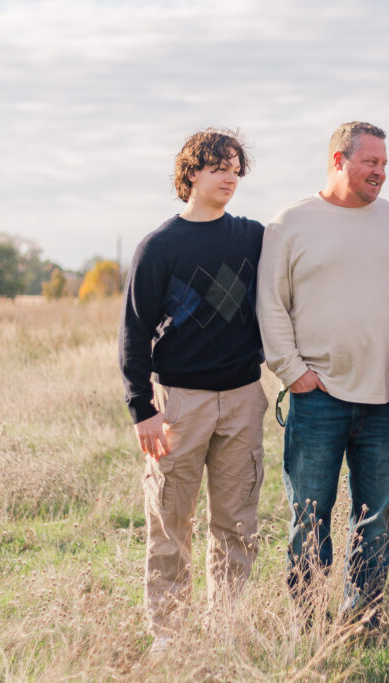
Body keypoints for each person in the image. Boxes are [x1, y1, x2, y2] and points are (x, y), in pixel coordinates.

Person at [256, 121, 389, 622]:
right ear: (338, 160)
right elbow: (270, 306)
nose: (380, 173)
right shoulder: (291, 223)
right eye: (371, 162)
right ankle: (308, 619)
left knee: (376, 520)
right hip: (317, 396)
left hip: (385, 397)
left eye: (385, 164)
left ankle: (362, 616)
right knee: (309, 517)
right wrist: (294, 373)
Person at [118, 128, 268, 654]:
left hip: (245, 397)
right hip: (180, 402)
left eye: (235, 168)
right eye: (218, 167)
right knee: (170, 522)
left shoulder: (252, 237)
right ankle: (169, 634)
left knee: (237, 523)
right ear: (191, 174)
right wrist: (142, 409)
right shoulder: (159, 247)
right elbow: (133, 333)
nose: (230, 176)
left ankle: (224, 628)